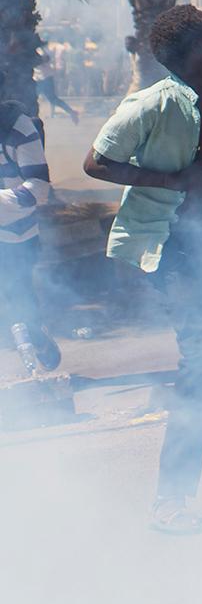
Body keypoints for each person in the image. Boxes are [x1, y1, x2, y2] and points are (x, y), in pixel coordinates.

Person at [83, 5, 202, 532]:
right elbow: (95, 163)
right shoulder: (152, 104)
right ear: (192, 50)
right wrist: (174, 181)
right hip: (169, 244)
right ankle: (171, 499)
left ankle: (199, 411)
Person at [0, 68, 60, 377]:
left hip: (14, 234)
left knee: (18, 294)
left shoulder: (20, 129)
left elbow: (38, 189)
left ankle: (35, 334)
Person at [33, 48, 78, 124]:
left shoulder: (40, 50)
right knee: (33, 99)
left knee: (52, 99)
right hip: (38, 78)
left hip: (45, 78)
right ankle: (33, 118)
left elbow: (46, 59)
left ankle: (71, 112)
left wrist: (34, 60)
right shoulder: (35, 50)